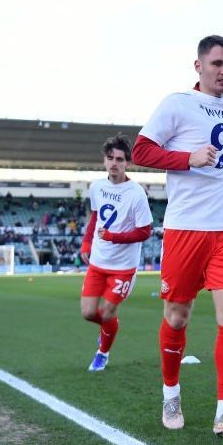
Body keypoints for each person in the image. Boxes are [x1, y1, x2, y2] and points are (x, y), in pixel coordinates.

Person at [132, 34, 223, 436]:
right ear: (199, 66)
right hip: (186, 228)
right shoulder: (177, 104)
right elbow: (141, 151)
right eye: (218, 64)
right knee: (177, 316)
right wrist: (186, 159)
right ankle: (171, 392)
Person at [79, 134, 153, 372]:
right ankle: (108, 329)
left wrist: (114, 237)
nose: (114, 163)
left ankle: (103, 353)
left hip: (123, 267)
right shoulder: (97, 187)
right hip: (98, 263)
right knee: (89, 312)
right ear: (104, 160)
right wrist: (86, 244)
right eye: (110, 158)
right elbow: (95, 217)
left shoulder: (136, 193)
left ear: (127, 163)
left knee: (109, 311)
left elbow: (144, 232)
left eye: (119, 159)